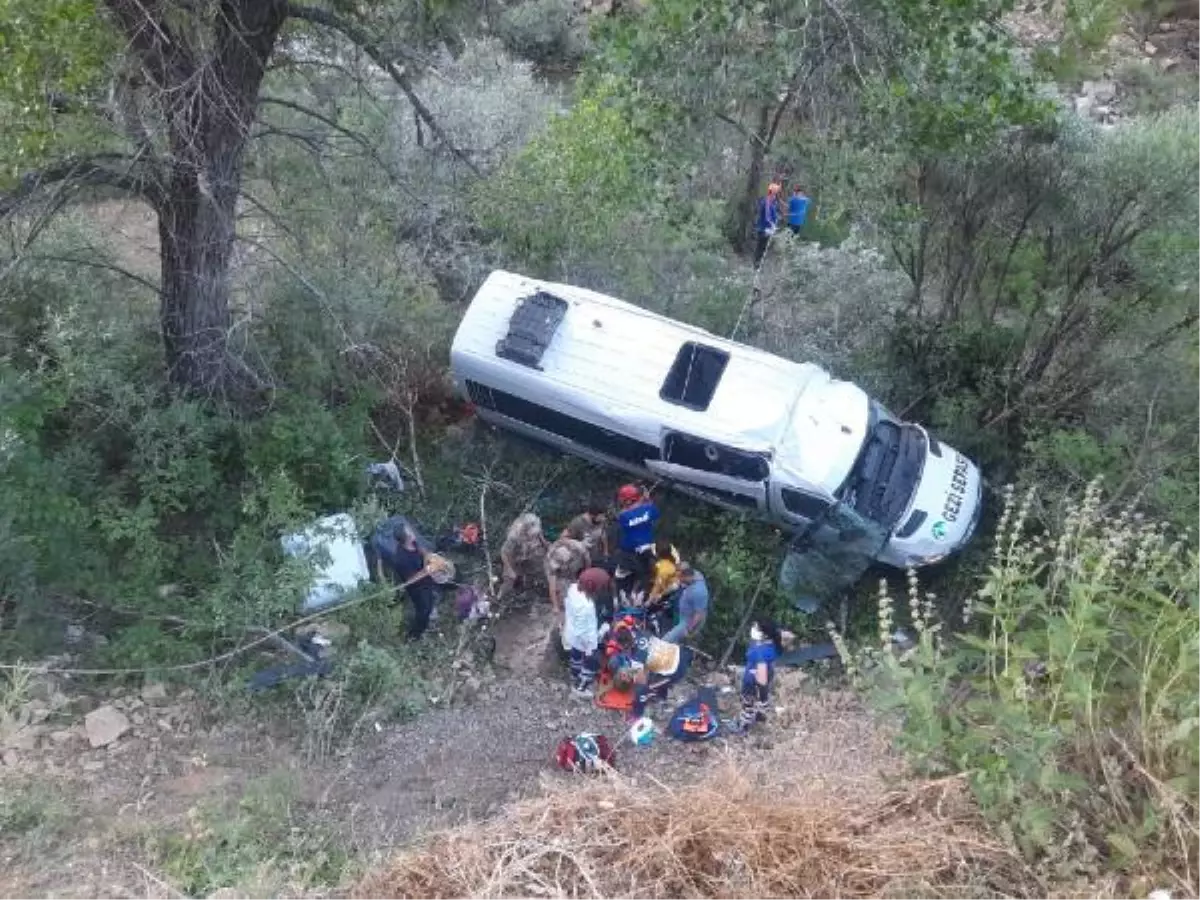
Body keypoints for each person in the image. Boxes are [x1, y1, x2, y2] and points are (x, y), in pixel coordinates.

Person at [607, 623, 693, 720]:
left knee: (641, 690)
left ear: (623, 645)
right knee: (647, 664)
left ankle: (637, 714)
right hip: (678, 652)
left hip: (676, 670)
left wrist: (631, 676)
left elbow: (642, 683)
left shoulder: (637, 658)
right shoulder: (638, 631)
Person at [377, 523, 437, 641]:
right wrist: (427, 570)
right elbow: (410, 580)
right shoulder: (401, 558)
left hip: (426, 581)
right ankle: (414, 635)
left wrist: (428, 556)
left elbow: (421, 550)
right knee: (423, 611)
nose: (412, 531)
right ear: (406, 538)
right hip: (417, 588)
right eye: (409, 531)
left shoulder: (413, 543)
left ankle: (428, 618)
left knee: (430, 602)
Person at [562, 567, 611, 698]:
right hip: (583, 638)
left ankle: (574, 674)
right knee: (594, 660)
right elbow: (583, 631)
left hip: (570, 632)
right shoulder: (586, 606)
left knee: (576, 654)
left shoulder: (573, 588)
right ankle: (581, 686)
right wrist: (599, 636)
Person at [734, 617, 784, 733]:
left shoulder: (759, 651)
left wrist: (762, 696)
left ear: (765, 635)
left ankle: (743, 727)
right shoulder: (772, 644)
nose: (753, 629)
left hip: (753, 678)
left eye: (756, 628)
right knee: (761, 697)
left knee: (748, 703)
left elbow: (761, 679)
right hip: (768, 671)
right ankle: (761, 712)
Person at [545, 525, 591, 624]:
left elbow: (587, 562)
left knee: (575, 589)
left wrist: (585, 577)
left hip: (574, 568)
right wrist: (555, 606)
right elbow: (552, 586)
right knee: (562, 591)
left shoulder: (579, 548)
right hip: (560, 572)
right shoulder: (553, 558)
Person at [499, 512, 548, 599]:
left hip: (529, 555)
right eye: (532, 536)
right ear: (525, 530)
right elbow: (504, 553)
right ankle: (501, 598)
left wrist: (546, 547)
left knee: (533, 571)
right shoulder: (514, 537)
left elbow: (541, 539)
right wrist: (510, 569)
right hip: (514, 558)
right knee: (509, 579)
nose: (533, 537)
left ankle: (528, 592)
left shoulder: (536, 528)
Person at [663, 563, 708, 645]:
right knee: (674, 641)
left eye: (681, 578)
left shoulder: (699, 591)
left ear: (687, 577)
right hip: (682, 614)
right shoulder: (694, 574)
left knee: (667, 639)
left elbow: (699, 614)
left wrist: (689, 628)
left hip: (689, 621)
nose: (679, 579)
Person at [616, 484, 659, 555]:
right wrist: (646, 499)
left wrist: (642, 500)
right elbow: (653, 511)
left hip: (629, 552)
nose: (621, 501)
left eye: (623, 499)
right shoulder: (649, 508)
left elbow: (627, 512)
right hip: (647, 551)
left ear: (628, 501)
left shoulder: (623, 515)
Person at [754, 182, 782, 265]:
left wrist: (777, 217)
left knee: (763, 248)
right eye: (776, 192)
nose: (777, 194)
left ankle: (758, 264)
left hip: (768, 229)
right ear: (773, 192)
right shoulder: (767, 201)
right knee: (760, 248)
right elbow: (767, 217)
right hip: (764, 229)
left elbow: (773, 214)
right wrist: (772, 225)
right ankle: (756, 266)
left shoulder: (772, 202)